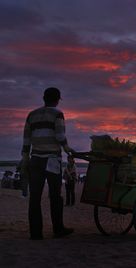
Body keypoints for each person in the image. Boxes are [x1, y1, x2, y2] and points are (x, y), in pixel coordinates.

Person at [21, 87, 74, 240]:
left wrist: (25, 156)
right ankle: (58, 229)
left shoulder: (32, 115)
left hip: (35, 159)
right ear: (57, 100)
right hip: (52, 159)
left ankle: (36, 233)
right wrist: (66, 147)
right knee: (55, 195)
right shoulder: (57, 114)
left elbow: (26, 139)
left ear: (44, 98)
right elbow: (59, 135)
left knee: (35, 197)